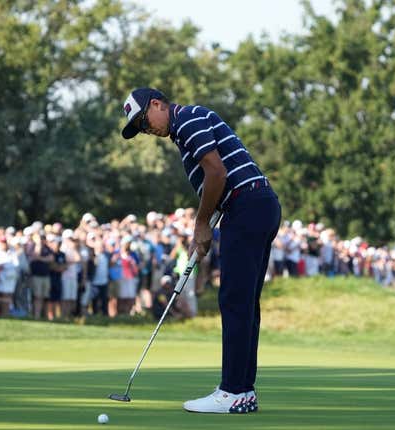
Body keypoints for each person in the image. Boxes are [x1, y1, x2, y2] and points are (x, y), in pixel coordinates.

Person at [121, 88, 281, 414]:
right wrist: (206, 224)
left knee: (235, 300)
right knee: (244, 302)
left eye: (143, 120)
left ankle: (233, 390)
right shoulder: (186, 128)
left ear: (157, 104)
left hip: (247, 207)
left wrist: (201, 223)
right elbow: (218, 178)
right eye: (139, 127)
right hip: (256, 205)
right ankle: (243, 391)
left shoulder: (188, 120)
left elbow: (217, 171)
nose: (145, 128)